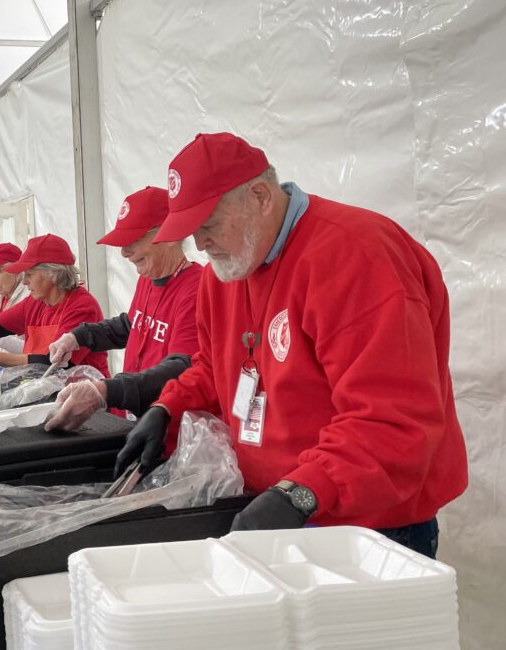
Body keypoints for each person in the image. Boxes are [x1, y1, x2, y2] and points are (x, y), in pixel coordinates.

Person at [115, 132, 467, 557]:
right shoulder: (223, 273)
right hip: (278, 508)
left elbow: (390, 417)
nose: (202, 245)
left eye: (208, 225)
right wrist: (166, 409)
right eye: (193, 233)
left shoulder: (357, 256)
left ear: (260, 196)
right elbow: (214, 367)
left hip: (368, 526)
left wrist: (300, 493)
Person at [45, 187, 202, 431]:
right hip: (134, 420)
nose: (124, 252)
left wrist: (108, 390)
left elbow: (183, 367)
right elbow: (132, 325)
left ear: (170, 235)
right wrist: (77, 337)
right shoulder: (148, 279)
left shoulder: (197, 288)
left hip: (169, 427)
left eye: (133, 241)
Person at [0, 234, 110, 377]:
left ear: (54, 274)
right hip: (46, 395)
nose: (25, 281)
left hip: (87, 405)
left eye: (30, 274)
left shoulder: (82, 307)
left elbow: (55, 364)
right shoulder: (35, 303)